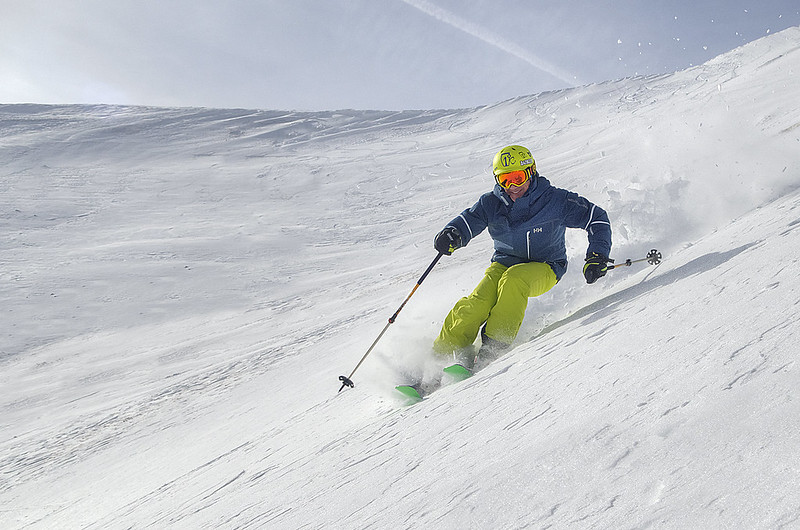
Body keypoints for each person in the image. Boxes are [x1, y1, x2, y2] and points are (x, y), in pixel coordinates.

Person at [432, 144, 613, 371]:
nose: (512, 187)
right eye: (505, 180)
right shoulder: (491, 203)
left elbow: (596, 218)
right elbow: (469, 220)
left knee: (514, 280)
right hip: (503, 263)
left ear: (531, 172)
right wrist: (453, 234)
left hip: (546, 266)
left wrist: (597, 255)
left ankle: (493, 349)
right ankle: (438, 360)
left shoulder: (555, 200)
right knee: (476, 303)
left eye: (517, 178)